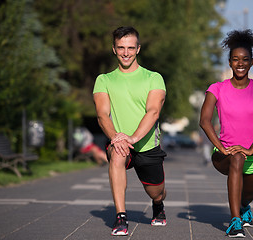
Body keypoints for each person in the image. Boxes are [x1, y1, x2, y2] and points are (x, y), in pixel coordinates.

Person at [93, 26, 167, 236]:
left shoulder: (154, 78)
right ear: (114, 49)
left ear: (138, 49)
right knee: (116, 155)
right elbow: (102, 115)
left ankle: (159, 204)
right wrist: (117, 138)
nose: (126, 52)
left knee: (156, 191)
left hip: (146, 145)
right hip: (118, 141)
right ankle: (121, 217)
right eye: (121, 47)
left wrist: (132, 137)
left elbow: (153, 112)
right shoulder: (104, 80)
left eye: (131, 48)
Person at [199, 29, 253, 238]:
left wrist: (251, 149)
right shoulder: (217, 88)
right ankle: (235, 222)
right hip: (224, 154)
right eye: (235, 59)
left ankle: (243, 206)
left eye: (245, 59)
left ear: (251, 62)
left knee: (248, 194)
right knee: (237, 159)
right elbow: (204, 121)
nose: (240, 63)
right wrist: (221, 147)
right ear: (229, 62)